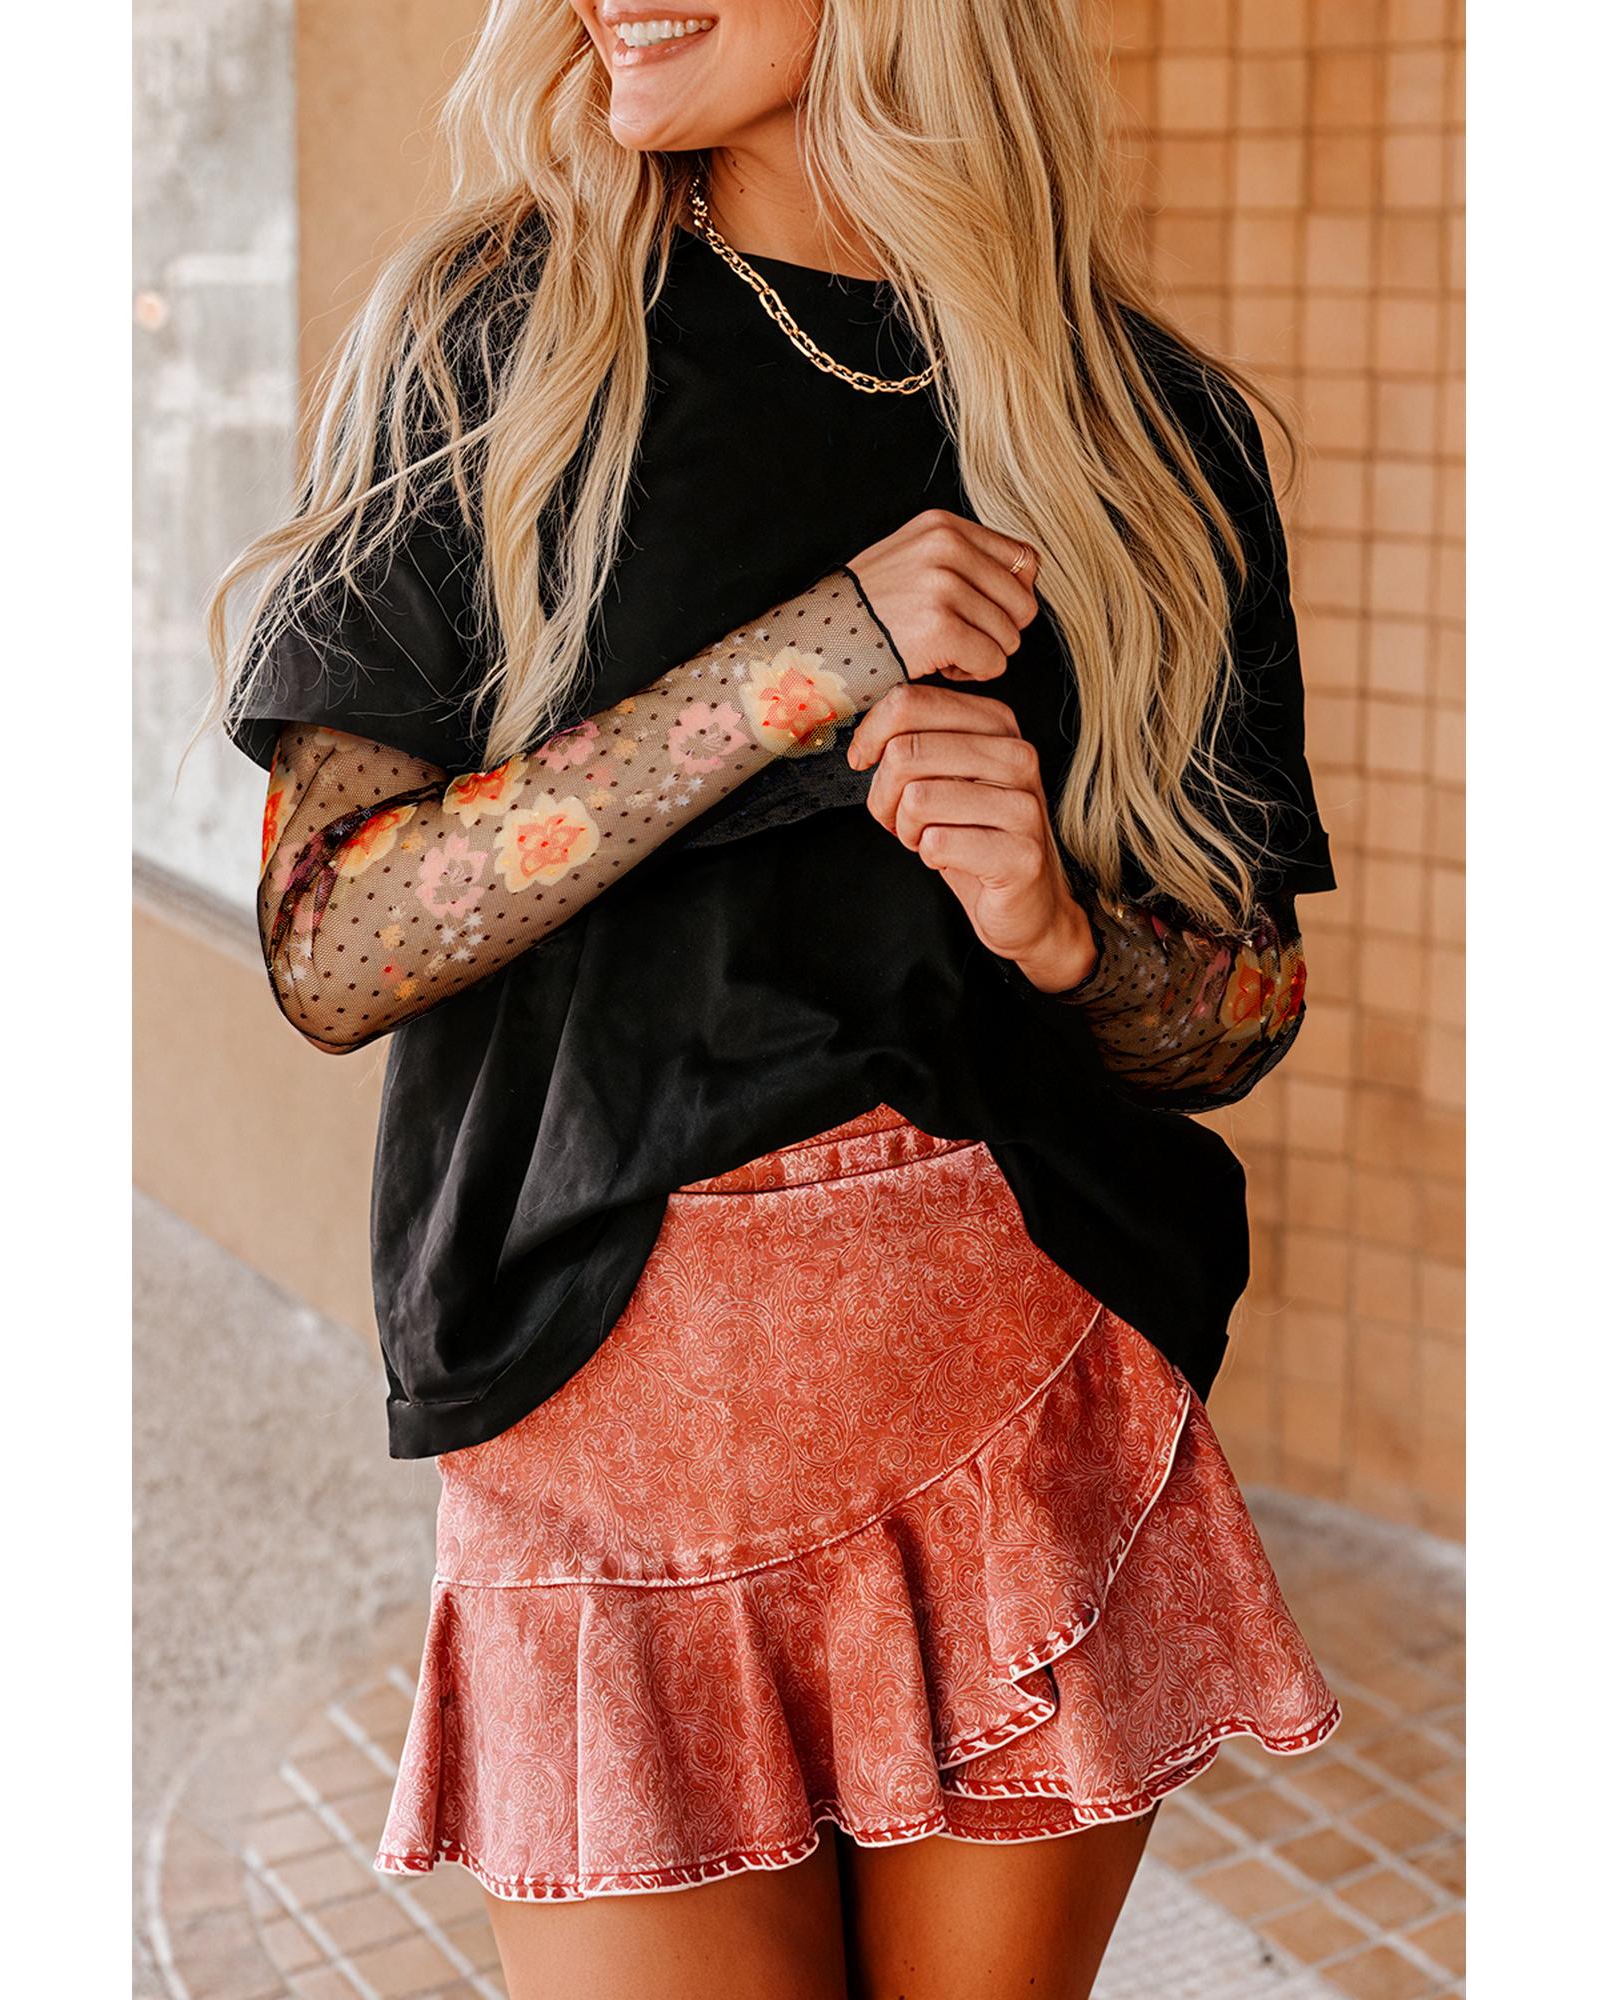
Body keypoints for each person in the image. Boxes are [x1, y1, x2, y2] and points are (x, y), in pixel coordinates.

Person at [207, 5, 1343, 1996]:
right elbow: (334, 938)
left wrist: (1060, 925)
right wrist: (795, 668)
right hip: (610, 1451)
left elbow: (1237, 1011)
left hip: (1025, 1400)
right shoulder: (503, 345)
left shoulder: (1145, 430)